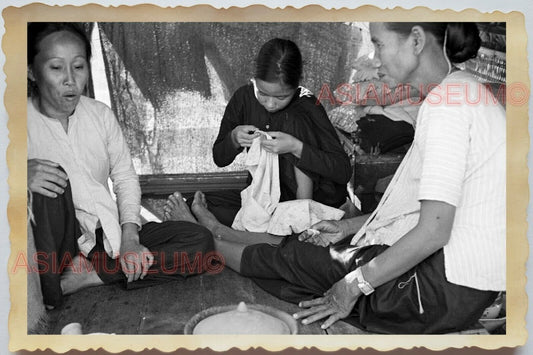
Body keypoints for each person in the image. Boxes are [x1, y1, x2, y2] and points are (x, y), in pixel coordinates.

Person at [165, 22, 506, 334]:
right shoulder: (461, 91)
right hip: (456, 291)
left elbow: (433, 229)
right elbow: (433, 215)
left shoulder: (449, 108)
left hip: (433, 294)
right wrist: (347, 227)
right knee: (311, 254)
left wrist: (354, 284)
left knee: (300, 262)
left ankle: (206, 239)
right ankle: (216, 232)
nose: (374, 58)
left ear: (416, 40)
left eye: (378, 44)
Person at [27, 22, 214, 309]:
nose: (70, 80)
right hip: (63, 243)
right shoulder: (15, 122)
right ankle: (75, 273)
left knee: (199, 242)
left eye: (78, 67)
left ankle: (93, 275)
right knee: (48, 178)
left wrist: (129, 238)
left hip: (109, 231)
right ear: (31, 71)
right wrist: (16, 174)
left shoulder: (99, 115)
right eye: (56, 67)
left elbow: (125, 178)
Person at [165, 38, 352, 226]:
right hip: (261, 199)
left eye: (281, 97)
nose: (270, 104)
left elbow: (343, 172)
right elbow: (219, 158)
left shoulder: (306, 106)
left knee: (295, 120)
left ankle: (219, 229)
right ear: (253, 79)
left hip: (307, 205)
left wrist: (297, 147)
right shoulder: (244, 99)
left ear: (297, 85)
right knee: (193, 205)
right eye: (262, 93)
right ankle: (218, 225)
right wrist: (234, 138)